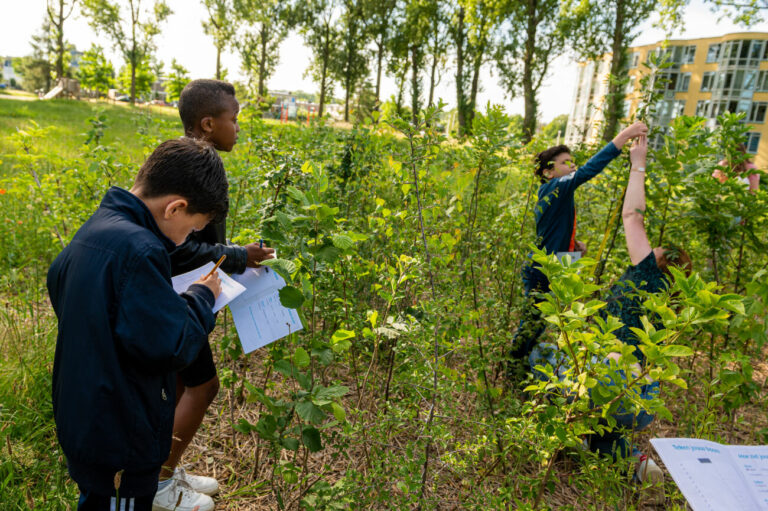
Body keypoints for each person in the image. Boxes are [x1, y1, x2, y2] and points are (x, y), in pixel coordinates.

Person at [47, 138, 227, 511]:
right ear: (175, 208)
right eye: (193, 229)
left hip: (86, 412)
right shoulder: (142, 249)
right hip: (119, 434)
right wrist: (201, 297)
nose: (189, 238)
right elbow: (174, 345)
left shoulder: (99, 228)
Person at [531, 134, 692, 502]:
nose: (653, 248)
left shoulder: (647, 273)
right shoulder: (675, 301)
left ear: (659, 261)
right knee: (609, 433)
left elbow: (632, 215)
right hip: (641, 398)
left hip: (609, 381)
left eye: (659, 250)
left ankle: (562, 431)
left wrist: (638, 160)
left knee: (542, 354)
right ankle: (632, 462)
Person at [154, 79, 275, 509]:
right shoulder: (197, 167)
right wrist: (238, 256)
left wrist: (235, 255)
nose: (238, 127)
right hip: (182, 297)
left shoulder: (188, 162)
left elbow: (196, 240)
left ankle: (162, 467)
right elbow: (181, 247)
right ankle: (159, 484)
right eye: (234, 119)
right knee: (203, 387)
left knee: (177, 386)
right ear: (208, 124)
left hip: (182, 294)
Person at [508, 122, 649, 380]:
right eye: (564, 162)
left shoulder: (556, 193)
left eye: (571, 161)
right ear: (548, 172)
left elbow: (552, 231)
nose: (572, 166)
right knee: (532, 323)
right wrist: (625, 136)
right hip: (543, 270)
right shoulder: (555, 187)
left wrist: (574, 247)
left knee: (541, 323)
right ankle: (512, 371)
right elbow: (590, 170)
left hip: (558, 264)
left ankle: (520, 370)